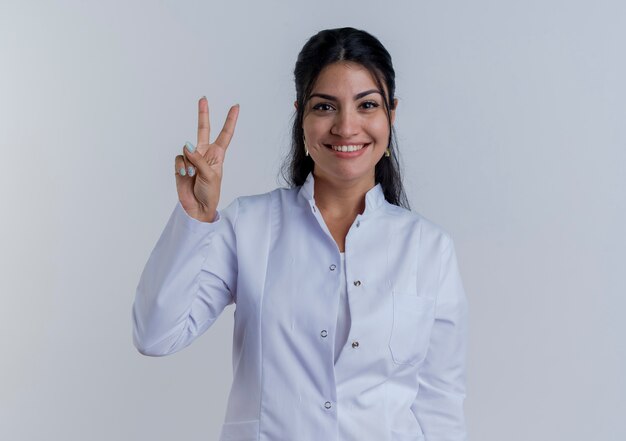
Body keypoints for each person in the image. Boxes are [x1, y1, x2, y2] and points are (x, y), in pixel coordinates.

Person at [132, 27, 469, 441]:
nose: (347, 126)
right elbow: (156, 334)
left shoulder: (428, 248)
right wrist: (195, 219)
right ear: (301, 116)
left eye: (367, 105)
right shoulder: (249, 226)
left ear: (391, 115)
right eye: (326, 106)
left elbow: (440, 406)